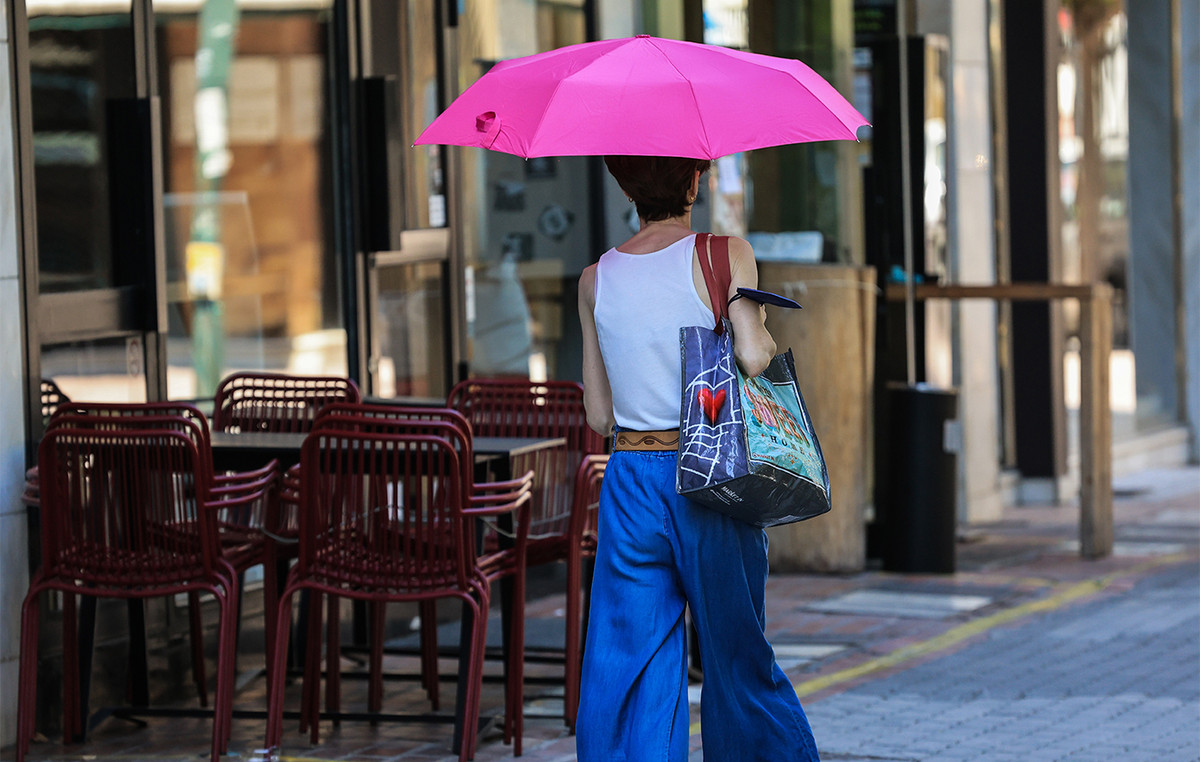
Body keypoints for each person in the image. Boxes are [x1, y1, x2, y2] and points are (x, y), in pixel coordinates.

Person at [576, 154, 820, 761]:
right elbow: (755, 357)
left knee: (630, 661)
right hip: (712, 470)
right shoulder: (723, 254)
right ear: (694, 180)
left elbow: (599, 415)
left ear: (627, 190)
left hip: (631, 478)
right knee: (735, 654)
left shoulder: (595, 279)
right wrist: (757, 320)